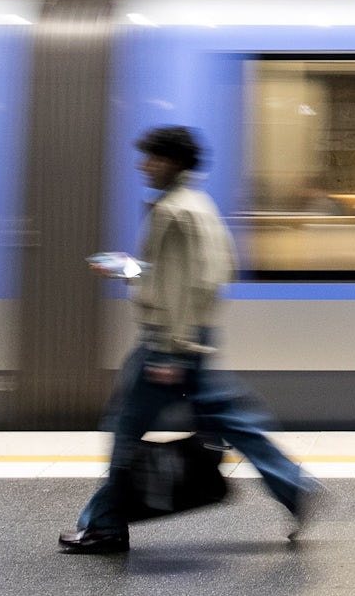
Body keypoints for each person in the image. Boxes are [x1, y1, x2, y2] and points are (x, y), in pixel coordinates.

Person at [59, 125, 320, 554]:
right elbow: (212, 273)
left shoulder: (173, 212)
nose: (144, 165)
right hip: (192, 338)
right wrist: (131, 269)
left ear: (173, 161)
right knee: (232, 421)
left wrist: (170, 348)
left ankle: (104, 526)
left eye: (152, 157)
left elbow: (189, 284)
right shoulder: (201, 206)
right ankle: (292, 486)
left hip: (167, 343)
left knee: (126, 430)